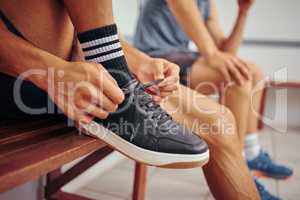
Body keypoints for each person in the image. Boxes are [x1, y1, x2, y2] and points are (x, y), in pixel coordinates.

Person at [0, 0, 260, 199]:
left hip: (87, 74)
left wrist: (141, 62)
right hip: (22, 77)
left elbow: (86, 32)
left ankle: (252, 162)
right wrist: (51, 74)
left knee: (219, 121)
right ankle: (119, 93)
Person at [134, 0, 293, 199]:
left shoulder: (207, 3)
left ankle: (251, 153)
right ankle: (242, 166)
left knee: (253, 72)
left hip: (182, 56)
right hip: (154, 59)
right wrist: (212, 54)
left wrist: (243, 13)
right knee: (237, 78)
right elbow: (211, 50)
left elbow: (227, 52)